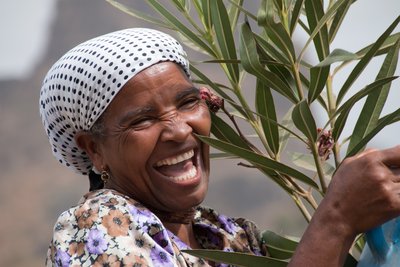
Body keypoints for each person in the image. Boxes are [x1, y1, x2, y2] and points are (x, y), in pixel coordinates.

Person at [39, 28, 400, 267]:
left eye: (187, 102)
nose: (179, 130)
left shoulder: (231, 236)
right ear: (94, 149)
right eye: (142, 120)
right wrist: (336, 218)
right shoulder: (95, 230)